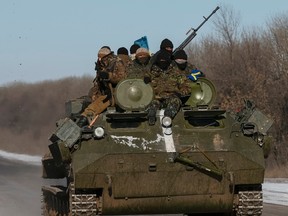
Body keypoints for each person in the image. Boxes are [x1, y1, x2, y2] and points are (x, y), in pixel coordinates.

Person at [78, 47, 127, 127]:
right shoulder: (102, 65)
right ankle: (82, 120)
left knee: (95, 106)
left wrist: (109, 76)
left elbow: (122, 78)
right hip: (106, 93)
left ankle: (83, 120)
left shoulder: (117, 62)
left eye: (100, 57)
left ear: (105, 56)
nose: (99, 59)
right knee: (90, 105)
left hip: (117, 94)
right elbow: (98, 83)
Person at [144, 50, 182, 125]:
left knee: (175, 101)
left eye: (164, 60)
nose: (162, 62)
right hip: (156, 97)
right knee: (153, 104)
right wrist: (146, 80)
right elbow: (144, 84)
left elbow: (184, 84)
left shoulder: (175, 71)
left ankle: (168, 115)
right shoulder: (152, 71)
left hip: (171, 97)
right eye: (161, 60)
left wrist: (180, 93)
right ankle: (151, 115)